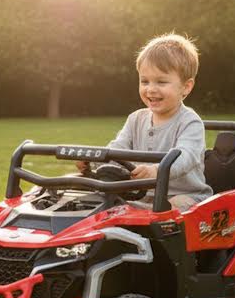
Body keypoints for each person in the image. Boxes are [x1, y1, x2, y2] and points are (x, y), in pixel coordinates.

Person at [80, 33, 212, 210]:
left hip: (185, 197)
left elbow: (185, 156)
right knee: (95, 199)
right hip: (139, 195)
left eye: (161, 82)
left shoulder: (190, 122)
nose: (151, 89)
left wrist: (157, 171)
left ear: (186, 87)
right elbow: (117, 150)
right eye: (145, 81)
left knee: (169, 209)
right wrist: (93, 161)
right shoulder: (136, 119)